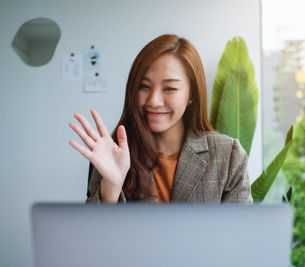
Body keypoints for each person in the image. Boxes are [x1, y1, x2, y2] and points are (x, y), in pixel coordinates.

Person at [69, 34, 253, 203]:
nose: (154, 101)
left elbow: (241, 234)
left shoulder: (228, 155)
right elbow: (94, 236)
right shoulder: (114, 151)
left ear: (192, 94)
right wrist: (111, 188)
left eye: (170, 89)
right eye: (144, 86)